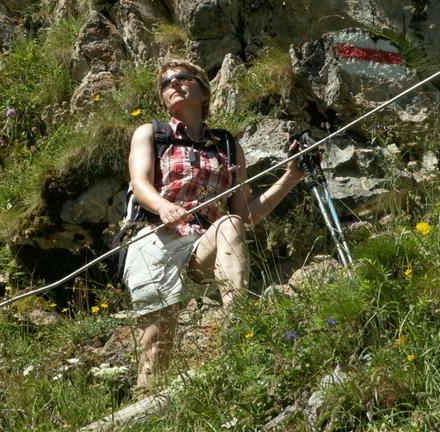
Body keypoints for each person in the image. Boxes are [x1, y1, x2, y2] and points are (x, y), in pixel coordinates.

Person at [124, 59, 305, 391]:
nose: (173, 84)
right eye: (166, 83)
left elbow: (245, 215)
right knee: (156, 348)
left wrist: (290, 178)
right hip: (155, 237)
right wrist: (164, 207)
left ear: (204, 91)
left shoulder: (226, 145)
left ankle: (237, 328)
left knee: (231, 223)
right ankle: (148, 403)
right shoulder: (152, 133)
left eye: (182, 78)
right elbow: (140, 184)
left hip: (200, 240)